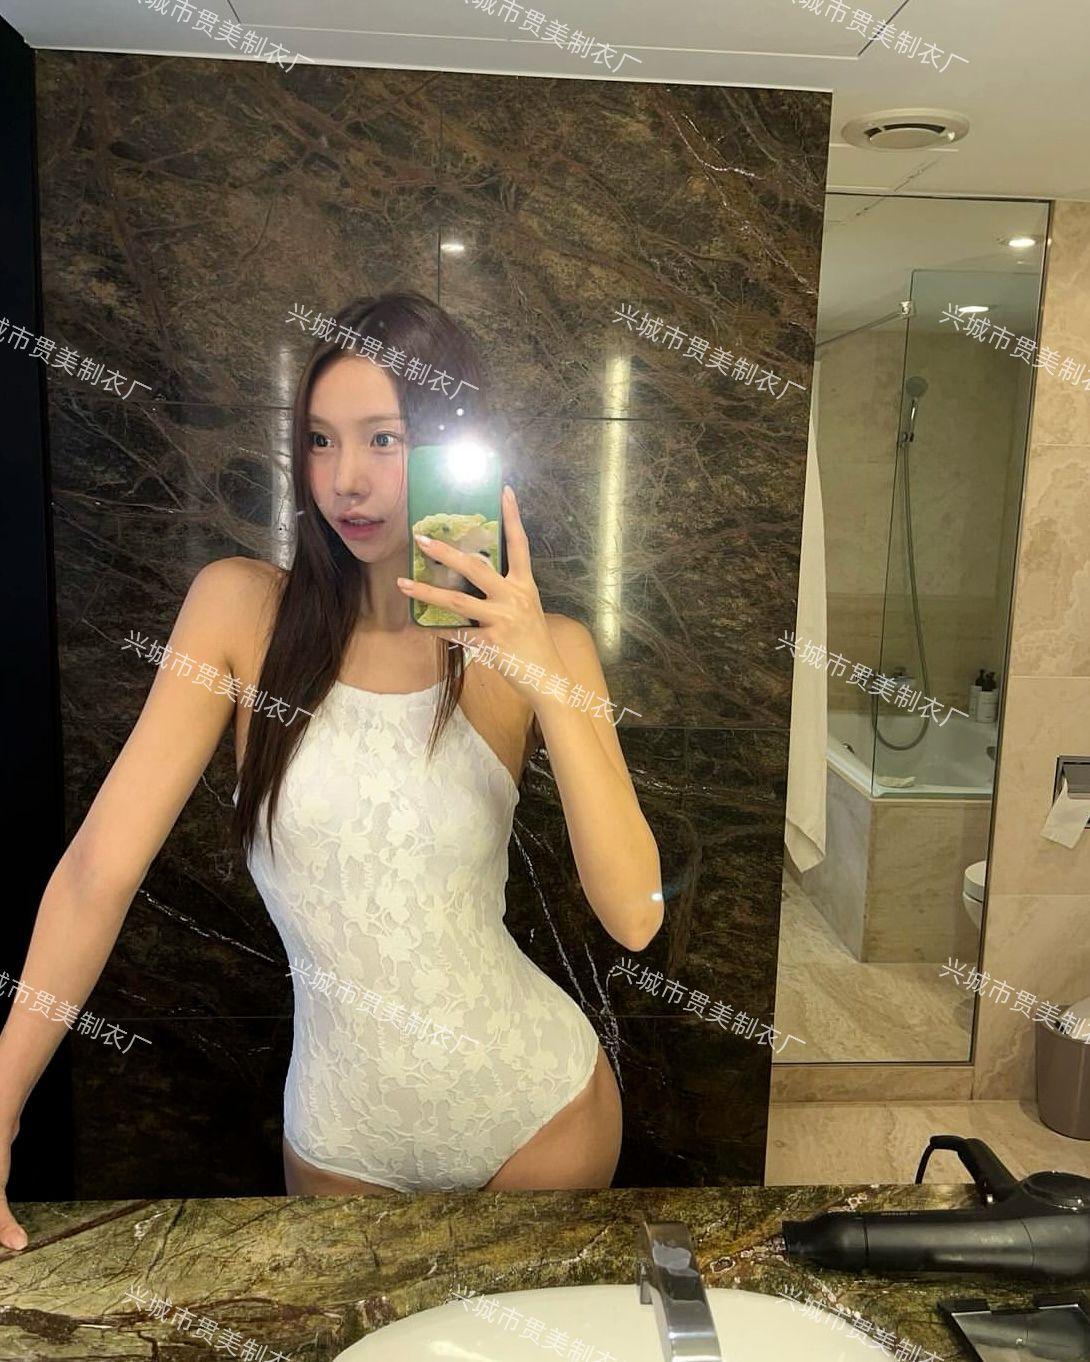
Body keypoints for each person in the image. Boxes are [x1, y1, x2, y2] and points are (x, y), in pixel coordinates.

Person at [0, 291, 663, 1249]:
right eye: (320, 440)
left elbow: (635, 914)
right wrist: (2, 1099)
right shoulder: (238, 614)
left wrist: (545, 680)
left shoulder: (547, 646)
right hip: (342, 1145)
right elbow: (97, 871)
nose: (346, 480)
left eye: (384, 440)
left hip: (541, 1121)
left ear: (447, 447)